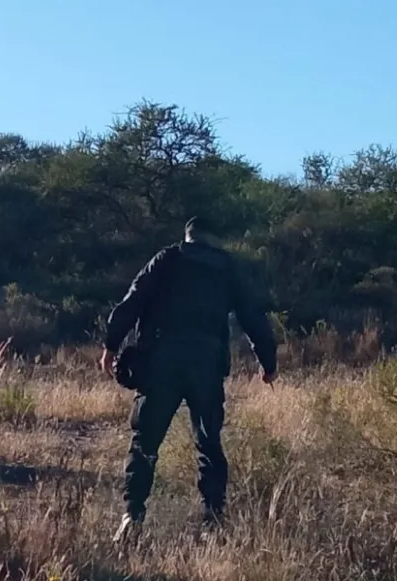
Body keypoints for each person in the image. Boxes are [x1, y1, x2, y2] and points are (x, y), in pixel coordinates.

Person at [100, 216, 278, 544]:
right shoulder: (227, 268)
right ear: (214, 239)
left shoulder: (168, 258)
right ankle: (213, 522)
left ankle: (132, 517)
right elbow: (253, 316)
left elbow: (133, 300)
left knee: (145, 443)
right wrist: (268, 362)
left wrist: (111, 345)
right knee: (208, 444)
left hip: (161, 365)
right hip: (206, 368)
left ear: (188, 236)